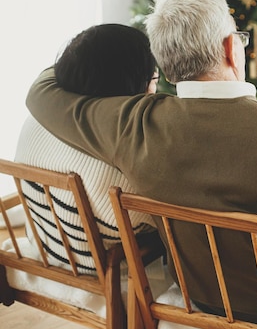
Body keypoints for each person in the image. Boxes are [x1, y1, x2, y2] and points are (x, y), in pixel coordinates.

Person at [26, 0, 257, 325]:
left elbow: (42, 91)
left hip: (200, 296)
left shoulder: (135, 126)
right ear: (230, 49)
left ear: (166, 65)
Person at [15, 23, 159, 274]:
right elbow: (155, 222)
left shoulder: (36, 119)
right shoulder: (115, 169)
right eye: (153, 80)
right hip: (92, 264)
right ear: (128, 87)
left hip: (44, 241)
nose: (154, 90)